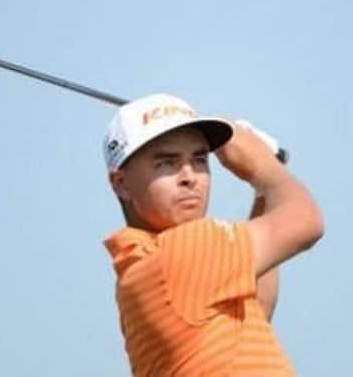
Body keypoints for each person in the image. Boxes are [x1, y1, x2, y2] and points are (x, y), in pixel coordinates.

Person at [102, 94, 323, 376]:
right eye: (166, 163)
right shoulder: (181, 252)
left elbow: (256, 307)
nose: (189, 175)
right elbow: (307, 221)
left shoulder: (139, 266)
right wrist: (262, 164)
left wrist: (263, 191)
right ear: (121, 184)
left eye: (199, 159)